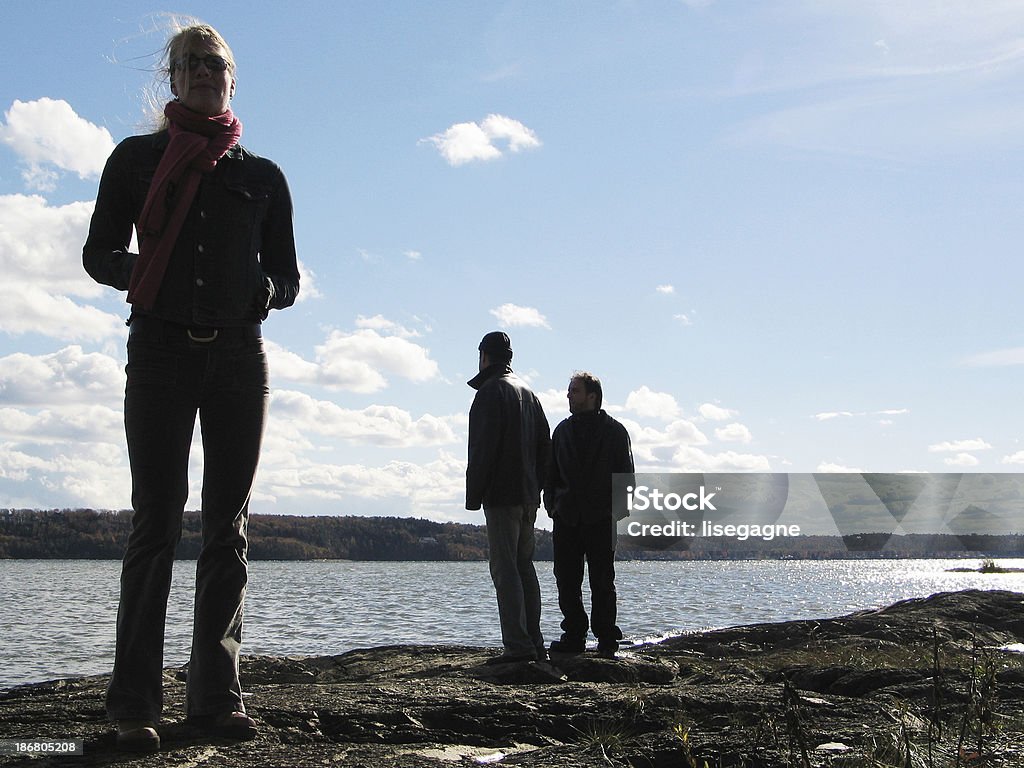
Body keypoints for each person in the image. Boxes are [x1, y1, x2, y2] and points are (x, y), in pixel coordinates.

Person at [83, 22, 299, 751]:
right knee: (155, 522)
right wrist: (139, 275)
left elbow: (290, 277)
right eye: (191, 63)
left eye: (217, 64)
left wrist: (266, 289)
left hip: (240, 361)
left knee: (226, 530)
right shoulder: (137, 161)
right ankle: (134, 705)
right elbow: (98, 251)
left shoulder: (263, 178)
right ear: (171, 81)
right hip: (158, 357)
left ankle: (215, 698)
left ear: (232, 81)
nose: (205, 71)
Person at [466, 332, 551, 664]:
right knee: (524, 567)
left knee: (505, 568)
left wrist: (475, 496)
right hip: (529, 496)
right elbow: (546, 446)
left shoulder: (490, 393)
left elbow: (482, 450)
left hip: (502, 495)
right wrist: (539, 489)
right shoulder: (529, 393)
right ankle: (534, 642)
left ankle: (517, 647)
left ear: (485, 356)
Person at [544, 372, 634, 658]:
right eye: (569, 391)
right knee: (566, 580)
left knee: (602, 580)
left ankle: (607, 637)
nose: (568, 395)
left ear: (592, 396)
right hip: (566, 517)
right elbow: (551, 473)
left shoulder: (615, 431)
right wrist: (552, 506)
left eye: (574, 391)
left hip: (601, 518)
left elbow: (626, 476)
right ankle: (574, 634)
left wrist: (617, 513)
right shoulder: (561, 431)